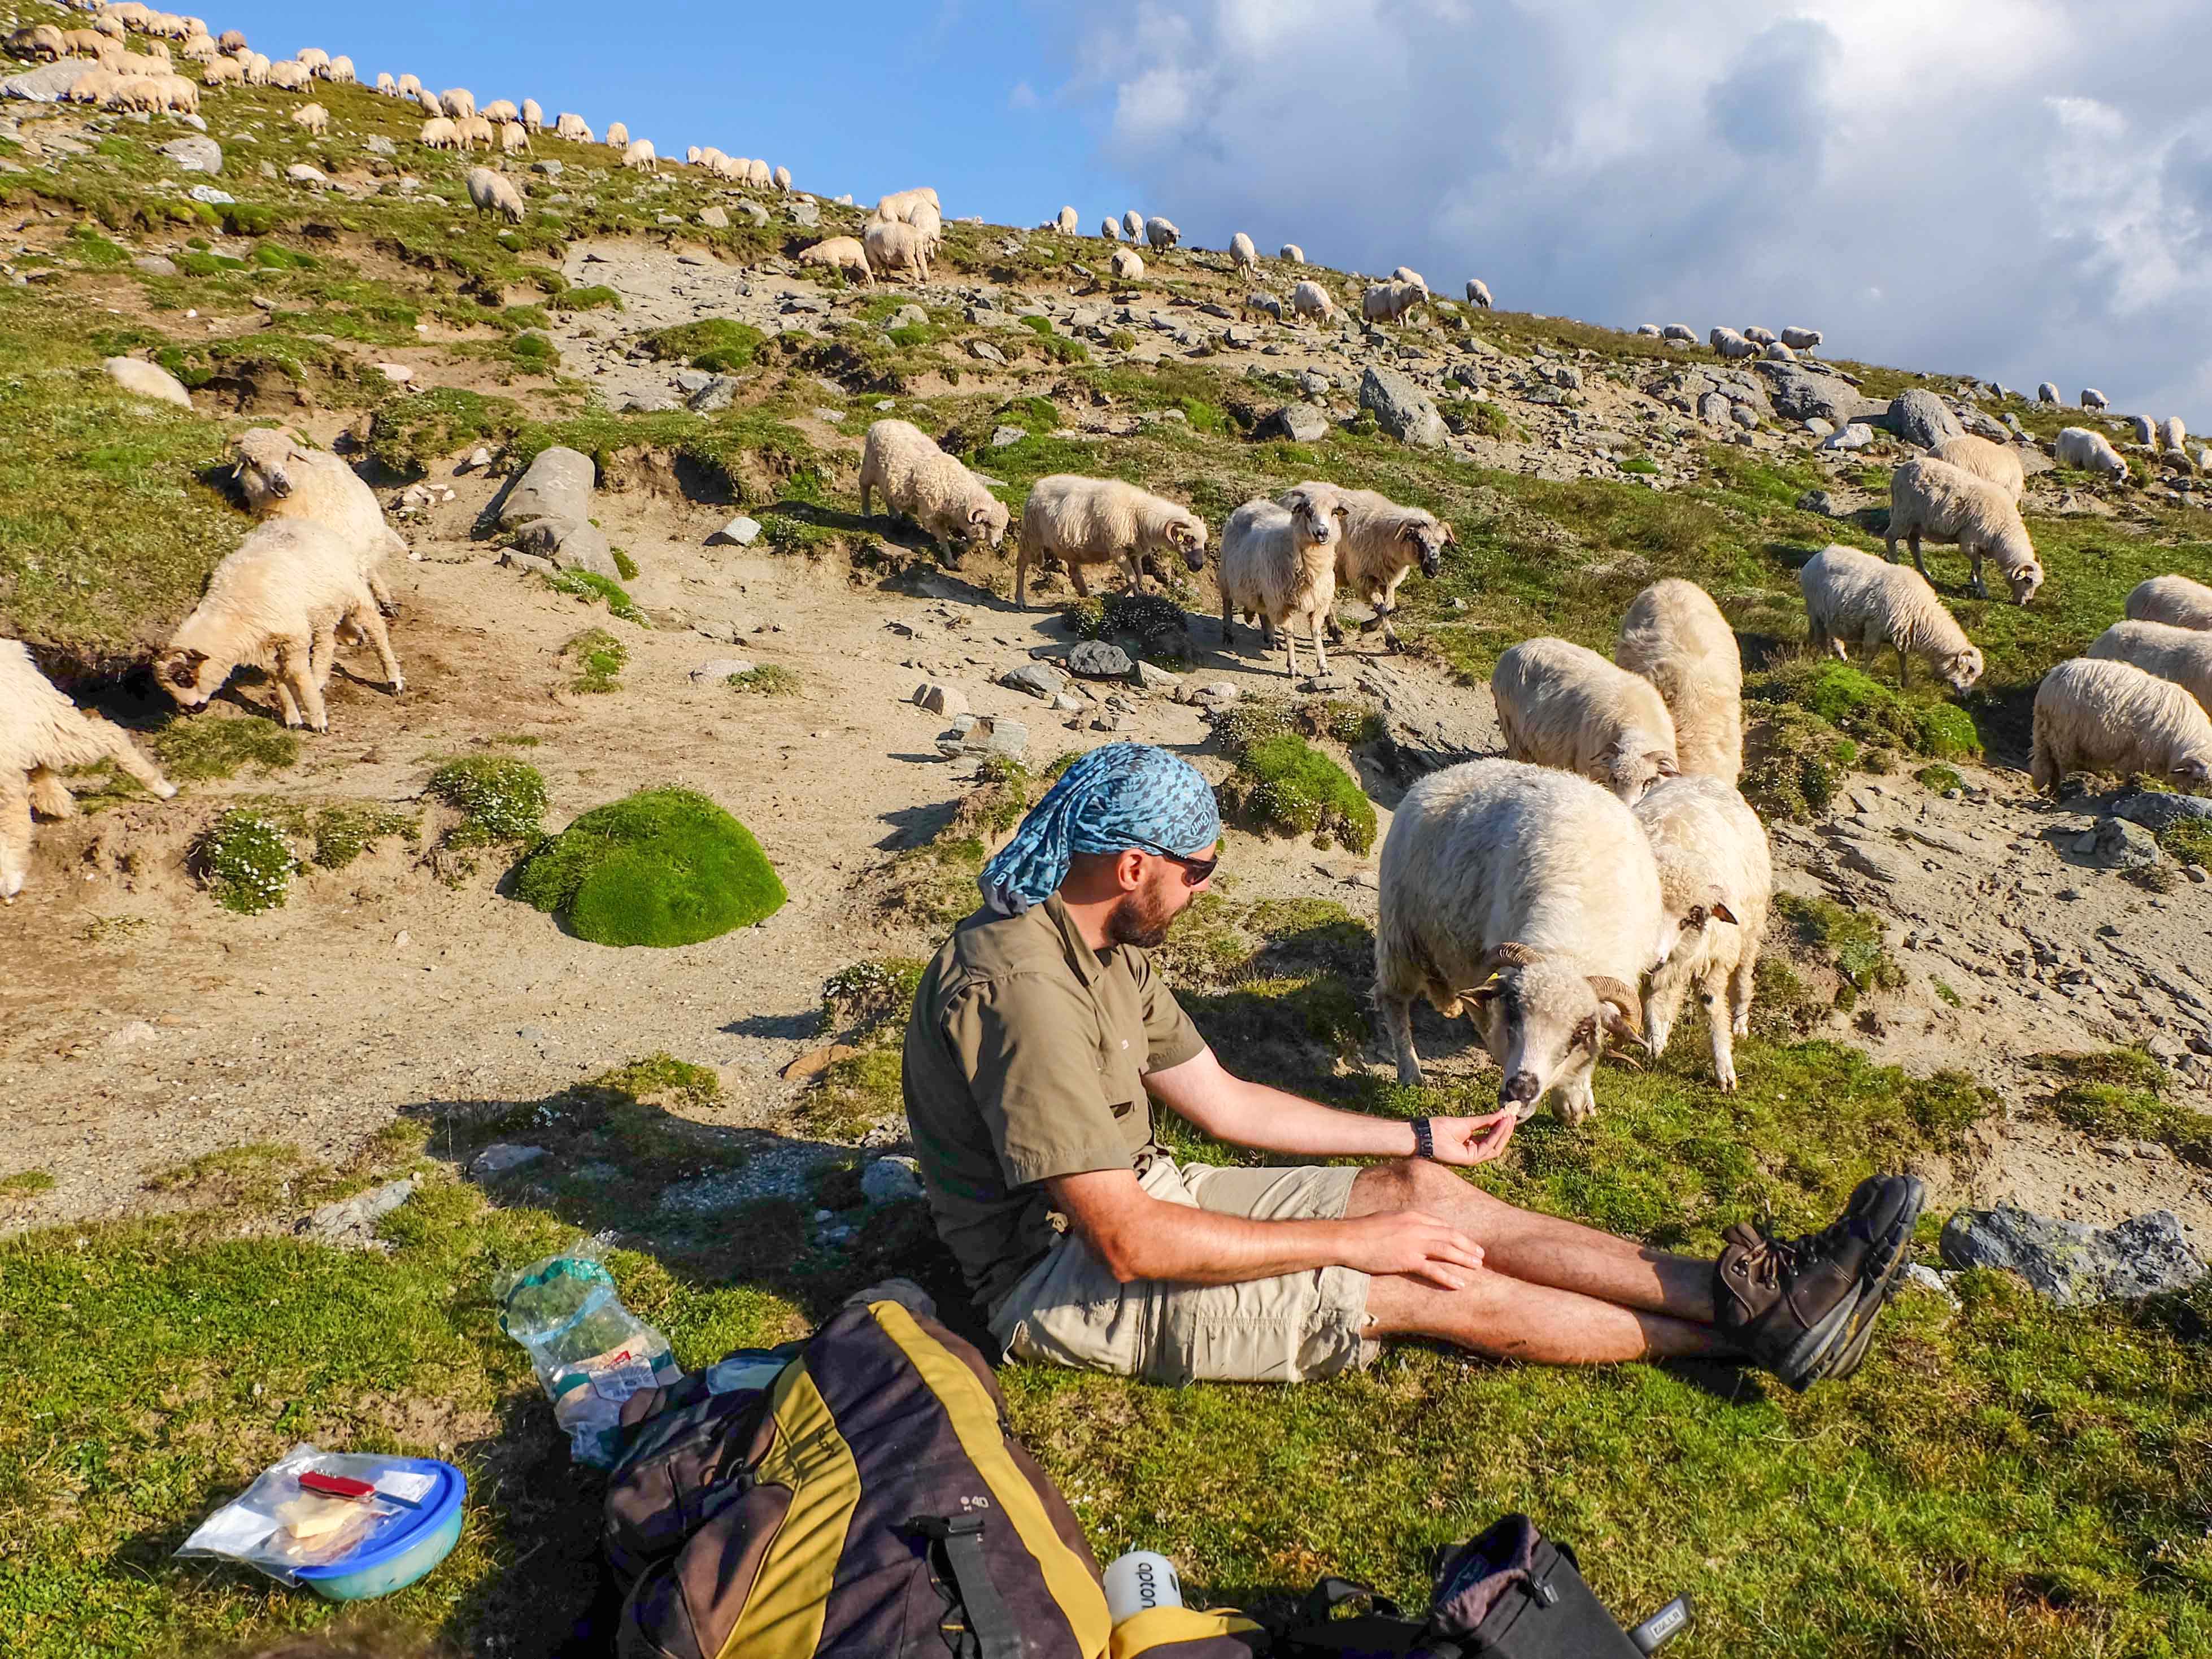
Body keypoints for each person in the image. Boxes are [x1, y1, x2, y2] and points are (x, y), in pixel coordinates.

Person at [902, 743, 1923, 1391]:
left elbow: (1222, 1097)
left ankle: (1747, 1290)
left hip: (1148, 1194)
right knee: (1419, 1279)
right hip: (1060, 1278)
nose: (1206, 890)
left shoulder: (1106, 946)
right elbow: (1123, 1238)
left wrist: (1421, 1139)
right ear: (1132, 866)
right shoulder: (1022, 988)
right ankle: (1742, 1337)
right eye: (1198, 871)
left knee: (1424, 1197)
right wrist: (1360, 1241)